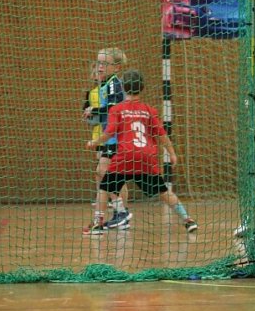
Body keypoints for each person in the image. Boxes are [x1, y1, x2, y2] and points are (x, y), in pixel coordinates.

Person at [83, 69, 198, 235]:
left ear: (123, 87)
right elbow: (162, 134)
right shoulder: (149, 110)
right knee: (164, 192)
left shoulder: (117, 109)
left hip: (125, 156)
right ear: (142, 88)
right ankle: (188, 220)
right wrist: (172, 153)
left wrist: (95, 142)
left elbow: (109, 132)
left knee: (104, 186)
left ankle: (98, 223)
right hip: (147, 158)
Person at [83, 47, 130, 229]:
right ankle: (109, 216)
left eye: (104, 63)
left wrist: (94, 110)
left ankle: (121, 212)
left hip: (118, 138)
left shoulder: (113, 84)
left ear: (116, 67)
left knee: (105, 173)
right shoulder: (104, 85)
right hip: (109, 137)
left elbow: (112, 110)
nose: (99, 67)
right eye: (98, 63)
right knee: (102, 174)